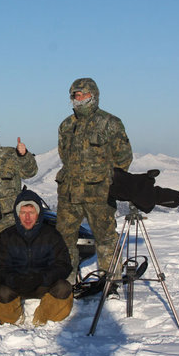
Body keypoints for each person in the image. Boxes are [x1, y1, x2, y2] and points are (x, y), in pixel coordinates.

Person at [56, 77, 133, 285]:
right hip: (69, 194)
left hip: (99, 194)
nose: (79, 99)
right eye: (75, 95)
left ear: (94, 95)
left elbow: (123, 157)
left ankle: (111, 283)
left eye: (83, 94)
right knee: (64, 240)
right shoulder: (66, 125)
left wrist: (106, 180)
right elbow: (64, 154)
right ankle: (68, 282)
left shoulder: (110, 123)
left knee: (106, 239)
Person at [0, 189, 73, 325]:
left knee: (64, 288)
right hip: (16, 285)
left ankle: (45, 317)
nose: (27, 218)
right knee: (2, 292)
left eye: (31, 212)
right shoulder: (6, 236)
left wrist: (42, 278)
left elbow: (63, 265)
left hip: (43, 284)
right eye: (23, 213)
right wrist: (14, 279)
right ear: (17, 214)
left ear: (39, 213)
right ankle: (12, 319)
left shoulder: (51, 235)